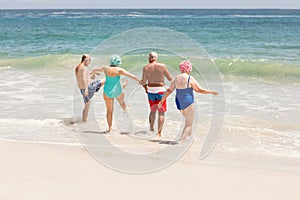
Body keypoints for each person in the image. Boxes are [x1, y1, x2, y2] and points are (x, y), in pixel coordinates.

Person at [158, 60, 218, 143]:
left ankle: (190, 138)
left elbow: (169, 90)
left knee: (188, 120)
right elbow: (199, 90)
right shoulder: (190, 78)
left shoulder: (176, 78)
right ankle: (182, 141)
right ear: (188, 69)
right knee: (189, 124)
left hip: (178, 103)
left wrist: (162, 101)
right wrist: (211, 92)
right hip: (188, 102)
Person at [92, 54, 140, 133]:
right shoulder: (119, 70)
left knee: (109, 111)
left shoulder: (106, 69)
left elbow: (94, 70)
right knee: (122, 103)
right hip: (117, 91)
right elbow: (132, 76)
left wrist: (94, 74)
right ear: (117, 63)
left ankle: (110, 128)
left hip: (107, 91)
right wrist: (140, 81)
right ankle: (125, 109)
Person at [140, 52, 172, 137]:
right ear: (156, 58)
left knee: (152, 111)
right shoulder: (162, 66)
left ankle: (151, 129)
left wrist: (145, 88)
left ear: (149, 58)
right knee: (161, 113)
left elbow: (143, 82)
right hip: (161, 91)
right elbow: (170, 78)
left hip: (151, 92)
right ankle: (159, 132)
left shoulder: (146, 68)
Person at [75, 54, 105, 122]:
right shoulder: (84, 68)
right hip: (88, 88)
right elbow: (83, 78)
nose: (90, 62)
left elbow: (83, 76)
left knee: (87, 105)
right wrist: (86, 89)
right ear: (86, 60)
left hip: (82, 90)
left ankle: (84, 122)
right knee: (105, 80)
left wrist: (93, 72)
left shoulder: (78, 67)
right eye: (89, 60)